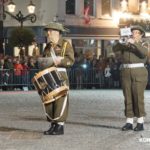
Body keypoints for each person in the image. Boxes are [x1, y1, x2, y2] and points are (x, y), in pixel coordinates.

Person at [113, 25, 149, 131]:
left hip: (139, 72)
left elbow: (144, 53)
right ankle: (129, 122)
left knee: (138, 97)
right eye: (133, 32)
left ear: (141, 34)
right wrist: (121, 41)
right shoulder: (126, 44)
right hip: (126, 72)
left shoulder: (143, 44)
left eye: (137, 32)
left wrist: (134, 43)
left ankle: (140, 122)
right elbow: (115, 50)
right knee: (127, 97)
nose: (134, 34)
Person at [41, 22, 74, 135]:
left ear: (56, 32)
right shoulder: (48, 46)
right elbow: (44, 59)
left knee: (60, 100)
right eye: (48, 31)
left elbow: (71, 60)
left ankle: (60, 126)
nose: (48, 33)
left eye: (49, 31)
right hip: (49, 75)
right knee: (50, 100)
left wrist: (61, 61)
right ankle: (53, 124)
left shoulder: (65, 44)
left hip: (60, 74)